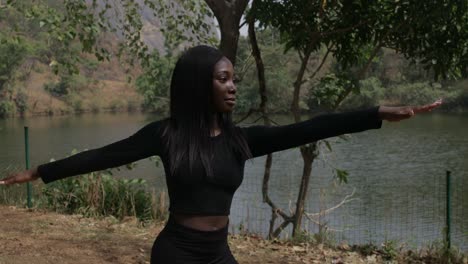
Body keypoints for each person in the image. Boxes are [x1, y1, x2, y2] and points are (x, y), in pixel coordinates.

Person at [0, 45, 442, 264]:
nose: (232, 86)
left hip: (217, 252)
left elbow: (309, 127)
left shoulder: (239, 140)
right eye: (223, 79)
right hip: (175, 251)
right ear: (199, 85)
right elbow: (102, 156)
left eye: (233, 79)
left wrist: (376, 113)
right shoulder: (166, 135)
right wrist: (37, 171)